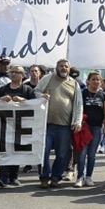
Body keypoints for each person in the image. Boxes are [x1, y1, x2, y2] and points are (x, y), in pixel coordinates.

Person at [34, 59, 82, 188]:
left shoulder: (74, 84)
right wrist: (42, 96)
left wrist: (77, 121)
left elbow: (78, 104)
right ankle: (44, 177)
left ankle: (56, 177)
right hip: (47, 124)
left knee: (62, 154)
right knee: (43, 152)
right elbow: (36, 91)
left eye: (66, 66)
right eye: (61, 66)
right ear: (56, 67)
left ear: (69, 69)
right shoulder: (48, 78)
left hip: (65, 126)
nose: (63, 68)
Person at [0, 65, 35, 188]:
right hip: (4, 126)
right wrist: (0, 99)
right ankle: (3, 177)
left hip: (21, 127)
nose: (14, 74)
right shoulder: (3, 89)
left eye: (17, 72)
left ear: (23, 75)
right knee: (4, 152)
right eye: (12, 72)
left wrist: (23, 101)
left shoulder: (27, 90)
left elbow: (35, 105)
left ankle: (14, 177)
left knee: (16, 151)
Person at [75, 72, 105, 188]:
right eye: (93, 79)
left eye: (98, 80)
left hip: (97, 128)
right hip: (84, 127)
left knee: (92, 154)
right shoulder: (82, 93)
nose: (96, 82)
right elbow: (77, 108)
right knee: (82, 153)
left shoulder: (103, 95)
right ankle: (80, 177)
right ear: (88, 81)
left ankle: (89, 176)